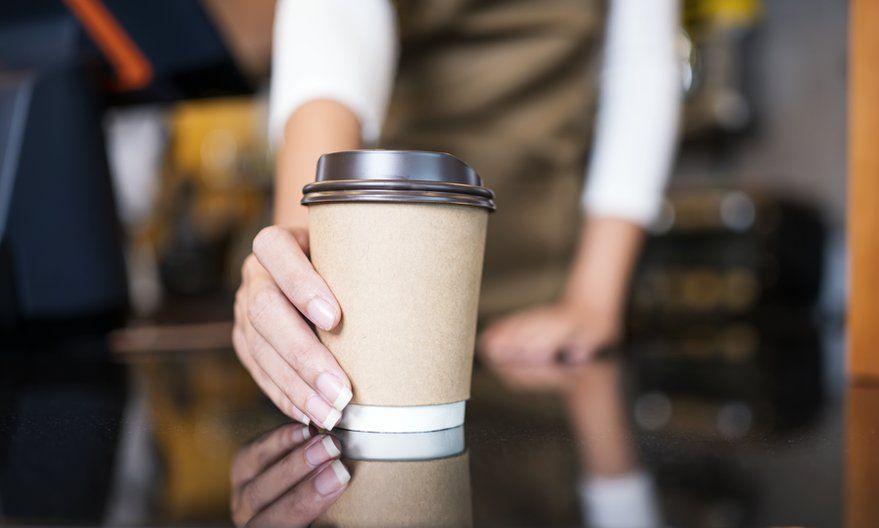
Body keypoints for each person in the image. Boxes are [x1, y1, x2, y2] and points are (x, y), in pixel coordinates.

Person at [232, 0, 680, 429]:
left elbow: (639, 62)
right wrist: (301, 257)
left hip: (540, 299)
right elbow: (336, 23)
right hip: (375, 291)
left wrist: (593, 300)